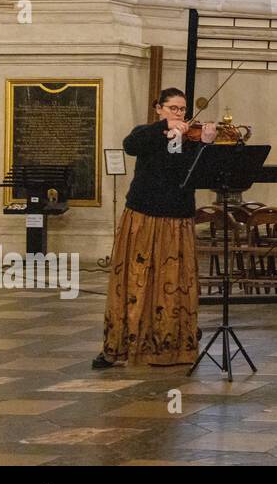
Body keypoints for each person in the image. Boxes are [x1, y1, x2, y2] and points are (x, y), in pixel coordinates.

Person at [93, 88, 217, 368]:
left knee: (173, 283)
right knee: (135, 281)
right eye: (172, 108)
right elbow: (130, 145)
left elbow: (197, 174)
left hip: (177, 220)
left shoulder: (189, 141)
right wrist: (164, 127)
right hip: (143, 218)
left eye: (182, 109)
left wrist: (205, 144)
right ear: (158, 109)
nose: (178, 114)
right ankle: (122, 345)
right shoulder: (147, 134)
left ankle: (170, 348)